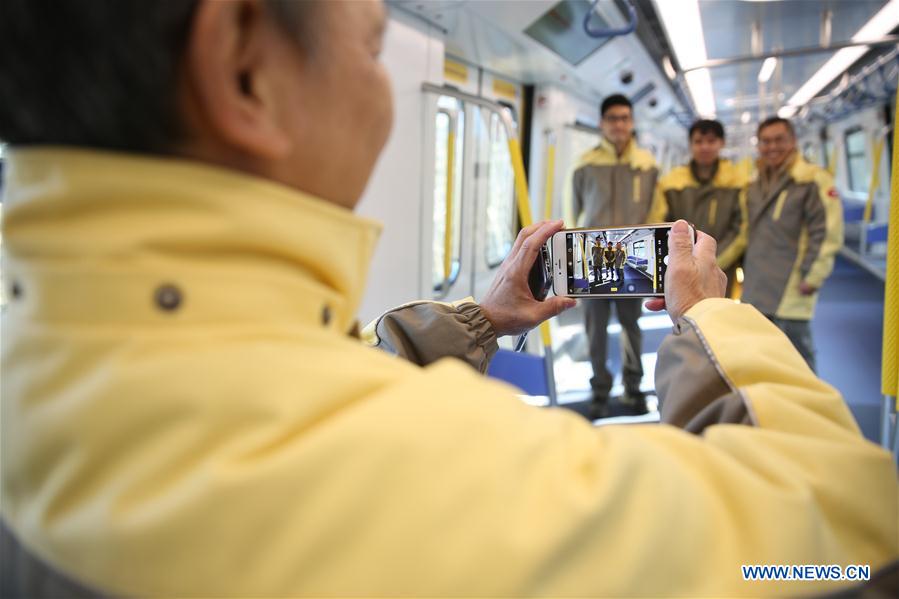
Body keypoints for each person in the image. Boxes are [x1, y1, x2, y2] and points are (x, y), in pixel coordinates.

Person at [0, 2, 894, 597]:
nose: (383, 93)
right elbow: (841, 540)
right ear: (243, 69)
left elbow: (318, 380)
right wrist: (713, 316)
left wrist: (480, 320)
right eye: (369, 48)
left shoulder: (46, 364)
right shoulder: (455, 474)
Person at [569, 94, 661, 417]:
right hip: (592, 259)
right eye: (612, 118)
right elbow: (574, 213)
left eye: (624, 118)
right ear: (601, 123)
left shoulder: (647, 165)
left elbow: (655, 212)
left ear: (632, 122)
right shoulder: (585, 164)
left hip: (632, 261)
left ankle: (633, 389)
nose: (619, 124)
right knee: (594, 329)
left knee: (630, 326)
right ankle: (600, 389)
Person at [733, 117, 844, 371]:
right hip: (757, 283)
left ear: (793, 141)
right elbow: (745, 233)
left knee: (798, 361)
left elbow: (827, 233)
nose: (772, 147)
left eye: (779, 140)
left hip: (792, 285)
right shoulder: (752, 184)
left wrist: (813, 276)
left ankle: (809, 410)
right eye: (765, 141)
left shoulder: (812, 180)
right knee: (761, 355)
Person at [651, 119, 747, 295]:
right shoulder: (671, 182)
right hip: (681, 266)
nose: (704, 147)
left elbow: (741, 230)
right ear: (690, 145)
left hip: (722, 266)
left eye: (711, 141)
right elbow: (659, 223)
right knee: (685, 316)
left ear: (721, 143)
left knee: (721, 316)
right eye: (698, 142)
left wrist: (713, 260)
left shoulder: (738, 181)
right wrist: (681, 259)